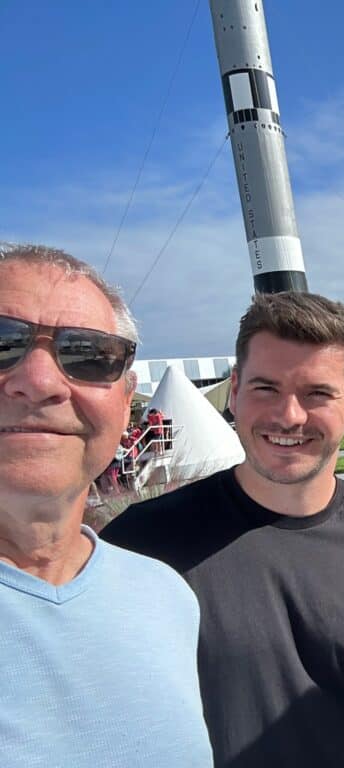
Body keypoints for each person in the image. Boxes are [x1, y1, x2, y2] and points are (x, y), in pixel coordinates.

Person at [102, 292, 344, 767]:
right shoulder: (139, 543)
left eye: (317, 393)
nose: (289, 416)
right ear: (235, 391)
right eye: (266, 388)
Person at [0, 244, 211, 766]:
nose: (41, 382)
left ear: (125, 403)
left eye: (89, 355)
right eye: (2, 341)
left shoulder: (166, 596)